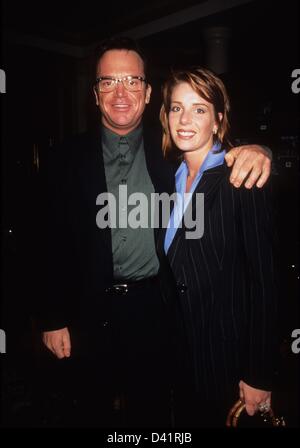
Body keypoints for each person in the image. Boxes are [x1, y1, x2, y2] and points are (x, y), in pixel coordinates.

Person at [38, 37, 272, 427]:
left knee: (154, 411)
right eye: (108, 82)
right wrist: (51, 316)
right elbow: (46, 241)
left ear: (147, 95)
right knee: (87, 407)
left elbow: (216, 148)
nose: (120, 92)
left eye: (132, 81)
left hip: (157, 311)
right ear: (95, 95)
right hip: (87, 311)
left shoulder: (167, 153)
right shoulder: (63, 159)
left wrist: (260, 150)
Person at [158, 67, 278, 427]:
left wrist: (259, 372)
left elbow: (266, 282)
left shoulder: (242, 177)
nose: (185, 119)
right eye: (177, 108)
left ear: (218, 119)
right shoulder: (166, 177)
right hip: (178, 357)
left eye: (199, 109)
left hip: (229, 360)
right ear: (165, 117)